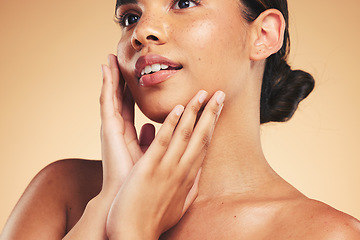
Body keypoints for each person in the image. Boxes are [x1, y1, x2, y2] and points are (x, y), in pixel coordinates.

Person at [1, 0, 360, 239]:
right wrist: (107, 200)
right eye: (131, 17)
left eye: (184, 2)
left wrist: (133, 230)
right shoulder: (62, 190)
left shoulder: (324, 233)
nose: (142, 32)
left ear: (263, 36)